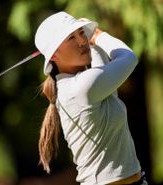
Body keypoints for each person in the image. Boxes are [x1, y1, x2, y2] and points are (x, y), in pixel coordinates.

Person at [34, 11, 147, 185]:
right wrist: (98, 35)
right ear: (54, 56)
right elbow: (128, 58)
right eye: (71, 38)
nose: (81, 41)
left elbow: (101, 64)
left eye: (81, 33)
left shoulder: (88, 84)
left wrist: (92, 40)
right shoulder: (80, 87)